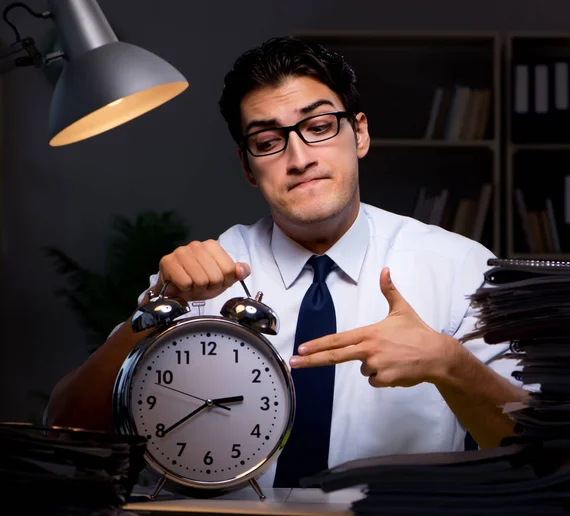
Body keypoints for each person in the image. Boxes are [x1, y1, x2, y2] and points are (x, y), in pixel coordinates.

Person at [45, 36, 529, 488]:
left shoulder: (459, 267)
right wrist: (158, 309)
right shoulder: (195, 280)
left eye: (318, 128)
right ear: (247, 165)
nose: (299, 157)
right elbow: (67, 429)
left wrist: (450, 364)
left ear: (358, 133)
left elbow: (538, 452)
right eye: (268, 141)